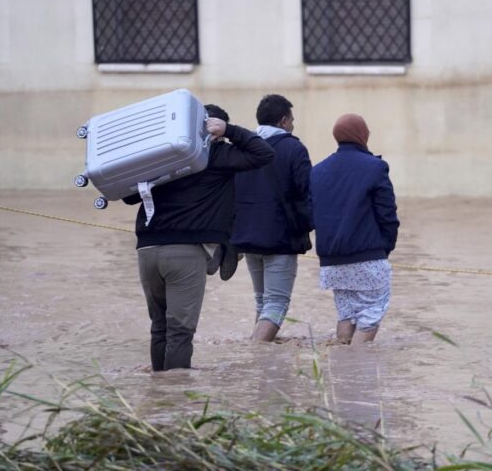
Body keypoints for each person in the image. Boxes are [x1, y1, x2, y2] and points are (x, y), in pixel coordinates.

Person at [124, 104, 274, 371]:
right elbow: (264, 153)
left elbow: (128, 194)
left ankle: (158, 394)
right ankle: (177, 401)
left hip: (147, 250)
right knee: (180, 330)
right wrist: (231, 131)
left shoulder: (161, 155)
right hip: (184, 252)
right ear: (213, 131)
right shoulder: (215, 154)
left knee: (159, 327)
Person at [310, 113, 399, 344]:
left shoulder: (317, 171)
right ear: (362, 134)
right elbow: (387, 215)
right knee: (370, 314)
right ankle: (357, 367)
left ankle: (342, 368)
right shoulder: (375, 167)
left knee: (346, 315)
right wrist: (384, 249)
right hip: (368, 258)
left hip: (332, 263)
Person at [231, 94, 313, 342]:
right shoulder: (293, 148)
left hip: (246, 237)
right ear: (283, 121)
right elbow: (307, 191)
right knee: (276, 304)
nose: (293, 125)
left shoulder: (243, 147)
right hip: (280, 237)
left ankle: (261, 365)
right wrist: (309, 226)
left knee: (262, 300)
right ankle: (255, 351)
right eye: (292, 120)